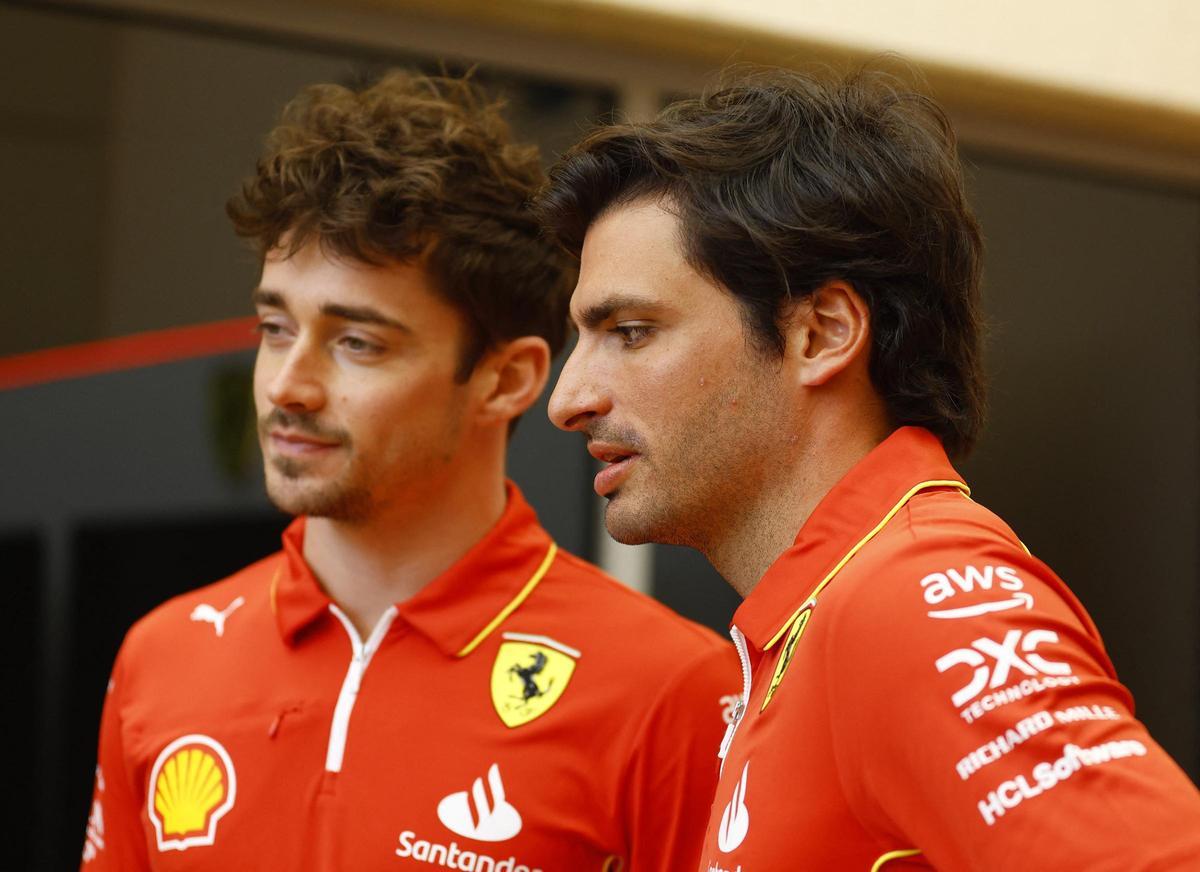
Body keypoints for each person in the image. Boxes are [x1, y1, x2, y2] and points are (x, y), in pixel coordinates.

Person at [539, 67, 1200, 870]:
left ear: (821, 334)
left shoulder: (909, 597)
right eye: (581, 336)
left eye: (632, 331)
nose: (568, 399)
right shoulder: (816, 622)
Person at [81, 70, 738, 872]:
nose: (289, 384)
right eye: (275, 326)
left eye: (358, 342)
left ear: (509, 379)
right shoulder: (162, 654)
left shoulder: (671, 688)